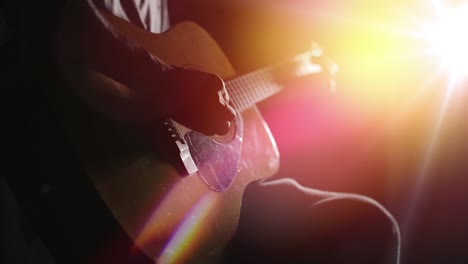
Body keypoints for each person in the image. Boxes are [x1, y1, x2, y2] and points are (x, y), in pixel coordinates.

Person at [2, 1, 400, 263]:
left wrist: (289, 78)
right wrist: (159, 81)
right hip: (57, 130)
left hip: (168, 200)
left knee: (370, 226)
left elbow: (210, 98)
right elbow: (51, 16)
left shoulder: (163, 15)